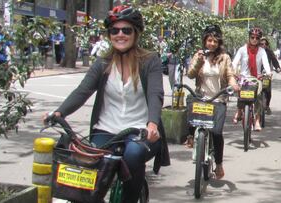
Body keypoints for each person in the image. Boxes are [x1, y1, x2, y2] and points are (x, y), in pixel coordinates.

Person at [42, 5, 170, 203]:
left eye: (126, 30)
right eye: (114, 30)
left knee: (133, 155)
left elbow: (156, 94)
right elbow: (82, 91)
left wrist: (152, 124)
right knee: (87, 166)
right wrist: (59, 113)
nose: (120, 34)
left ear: (135, 34)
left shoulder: (150, 60)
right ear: (109, 34)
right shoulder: (103, 63)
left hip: (140, 132)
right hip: (105, 131)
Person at [187, 24, 238, 179]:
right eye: (209, 40)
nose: (212, 44)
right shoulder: (199, 55)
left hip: (219, 98)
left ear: (219, 43)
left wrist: (233, 84)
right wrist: (199, 62)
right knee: (190, 112)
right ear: (205, 41)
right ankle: (190, 138)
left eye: (215, 41)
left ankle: (219, 165)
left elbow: (230, 74)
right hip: (201, 98)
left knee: (216, 132)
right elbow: (190, 74)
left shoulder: (225, 57)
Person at [232, 27, 272, 131]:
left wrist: (268, 72)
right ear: (249, 38)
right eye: (252, 37)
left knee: (258, 96)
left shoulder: (262, 51)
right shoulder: (242, 49)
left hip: (256, 78)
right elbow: (234, 62)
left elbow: (266, 64)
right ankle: (239, 110)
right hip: (244, 77)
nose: (254, 39)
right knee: (240, 91)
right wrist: (233, 71)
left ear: (259, 40)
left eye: (257, 38)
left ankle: (257, 120)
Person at [259, 37, 281, 115]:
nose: (264, 45)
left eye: (265, 44)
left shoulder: (269, 51)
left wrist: (277, 67)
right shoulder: (255, 51)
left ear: (267, 45)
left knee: (268, 92)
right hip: (256, 74)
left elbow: (274, 60)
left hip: (266, 74)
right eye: (262, 44)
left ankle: (267, 106)